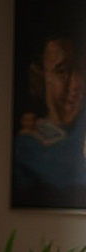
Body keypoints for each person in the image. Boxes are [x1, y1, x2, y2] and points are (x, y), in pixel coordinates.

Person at [12, 33, 86, 208]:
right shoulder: (25, 150)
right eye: (62, 71)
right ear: (39, 78)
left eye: (81, 71)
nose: (75, 85)